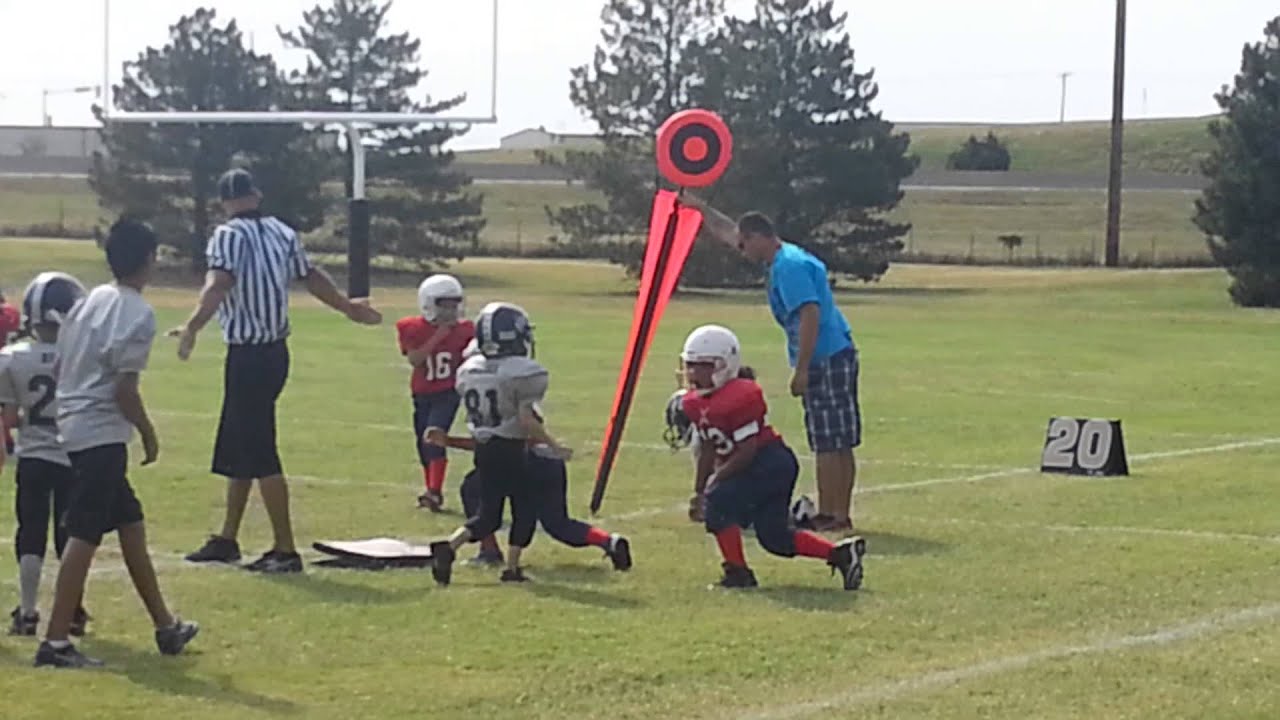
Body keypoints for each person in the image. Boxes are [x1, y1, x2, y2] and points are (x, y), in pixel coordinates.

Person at [176, 168, 382, 573]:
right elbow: (311, 276)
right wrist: (347, 307)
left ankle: (285, 549)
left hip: (249, 355)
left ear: (224, 202)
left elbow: (219, 282)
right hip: (274, 353)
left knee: (260, 450)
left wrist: (192, 326)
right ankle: (227, 537)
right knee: (242, 446)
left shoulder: (228, 235)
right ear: (257, 194)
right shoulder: (281, 231)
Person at [36, 218, 198, 668]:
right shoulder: (136, 312)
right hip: (100, 431)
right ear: (149, 259)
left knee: (130, 523)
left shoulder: (90, 301)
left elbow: (60, 367)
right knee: (84, 533)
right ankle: (55, 641)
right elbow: (123, 390)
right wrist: (147, 432)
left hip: (74, 424)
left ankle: (166, 626)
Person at [685, 198, 861, 533]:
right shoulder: (787, 256)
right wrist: (699, 206)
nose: (741, 252)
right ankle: (840, 512)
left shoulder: (788, 267)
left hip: (825, 356)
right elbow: (728, 231)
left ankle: (830, 515)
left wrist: (803, 368)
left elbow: (810, 312)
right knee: (840, 439)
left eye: (743, 245)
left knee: (827, 440)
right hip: (838, 350)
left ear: (757, 238)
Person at [676, 324, 866, 590]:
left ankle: (738, 573)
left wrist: (715, 483)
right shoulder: (694, 402)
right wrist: (698, 488)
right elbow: (708, 447)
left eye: (704, 366)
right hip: (760, 465)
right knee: (774, 537)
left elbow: (747, 450)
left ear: (725, 365)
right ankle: (841, 555)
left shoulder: (741, 395)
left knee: (718, 504)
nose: (694, 373)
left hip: (768, 462)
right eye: (691, 365)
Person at [427, 302, 575, 585]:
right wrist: (555, 447)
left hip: (484, 450)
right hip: (511, 450)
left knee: (488, 515)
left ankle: (448, 546)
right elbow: (526, 419)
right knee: (524, 508)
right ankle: (512, 568)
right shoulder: (521, 373)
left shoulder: (470, 370)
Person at [0, 272, 91, 636]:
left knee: (31, 532)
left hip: (34, 457)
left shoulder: (11, 358)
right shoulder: (80, 355)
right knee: (71, 535)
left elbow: (9, 418)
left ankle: (27, 610)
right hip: (72, 455)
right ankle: (72, 610)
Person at [425, 418, 632, 575]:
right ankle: (609, 541)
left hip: (523, 461)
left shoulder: (502, 393)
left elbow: (507, 439)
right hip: (546, 461)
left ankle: (491, 553)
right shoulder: (512, 388)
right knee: (558, 524)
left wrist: (449, 441)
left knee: (481, 496)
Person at [396, 274, 474, 511]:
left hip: (448, 392)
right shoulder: (412, 328)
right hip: (422, 393)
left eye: (454, 304)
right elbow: (415, 359)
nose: (451, 311)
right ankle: (430, 487)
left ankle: (434, 492)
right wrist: (438, 335)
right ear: (429, 303)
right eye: (444, 304)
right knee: (423, 443)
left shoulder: (467, 330)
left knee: (433, 436)